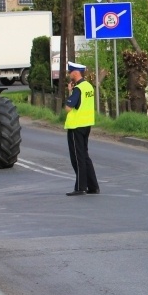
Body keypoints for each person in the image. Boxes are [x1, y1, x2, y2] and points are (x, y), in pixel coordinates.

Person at [64, 62, 99, 196]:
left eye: (70, 72)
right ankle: (93, 186)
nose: (69, 74)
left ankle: (80, 187)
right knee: (85, 156)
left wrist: (70, 93)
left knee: (77, 158)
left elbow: (68, 107)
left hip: (76, 126)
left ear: (75, 73)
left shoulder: (78, 89)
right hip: (87, 124)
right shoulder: (88, 86)